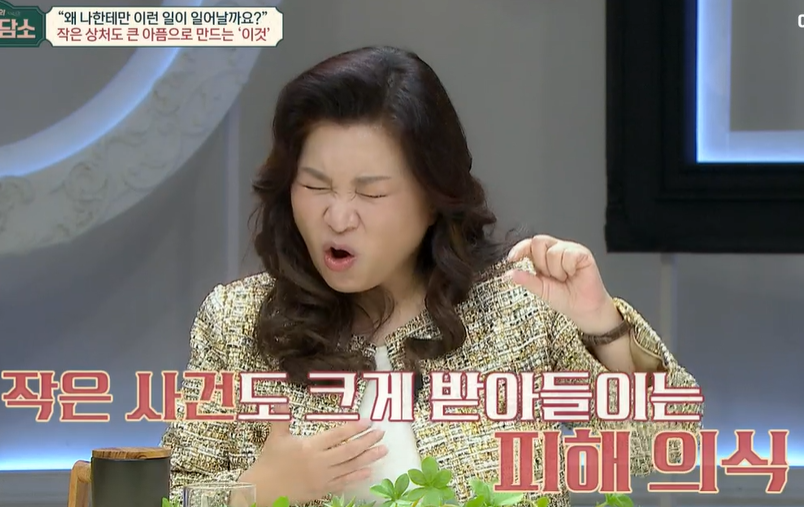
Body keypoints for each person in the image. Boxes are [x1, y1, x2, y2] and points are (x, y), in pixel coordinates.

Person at [160, 45, 702, 507]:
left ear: (433, 201)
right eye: (316, 186)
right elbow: (175, 492)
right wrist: (256, 491)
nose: (338, 217)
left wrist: (601, 324)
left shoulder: (518, 305)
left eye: (371, 193)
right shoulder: (236, 322)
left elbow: (669, 445)